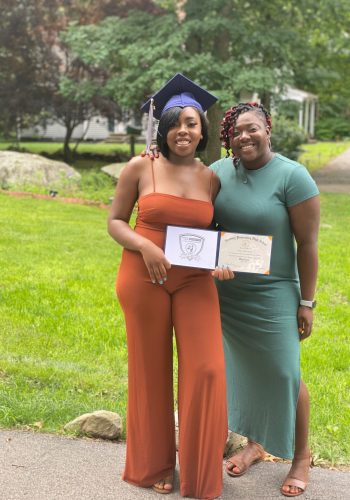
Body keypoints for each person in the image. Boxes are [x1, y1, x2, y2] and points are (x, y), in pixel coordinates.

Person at [107, 73, 228, 499]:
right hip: (144, 279)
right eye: (175, 122)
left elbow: (215, 233)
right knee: (150, 371)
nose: (183, 130)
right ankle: (155, 465)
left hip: (195, 283)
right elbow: (115, 222)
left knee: (208, 369)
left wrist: (222, 262)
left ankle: (198, 473)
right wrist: (145, 246)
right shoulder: (142, 166)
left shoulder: (212, 177)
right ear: (164, 127)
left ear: (202, 129)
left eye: (191, 123)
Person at [211, 102, 320, 497]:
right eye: (236, 131)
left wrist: (307, 301)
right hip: (226, 293)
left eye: (251, 128)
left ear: (267, 128)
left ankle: (301, 456)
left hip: (274, 292)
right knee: (235, 370)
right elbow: (203, 225)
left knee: (283, 372)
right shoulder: (217, 172)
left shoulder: (293, 176)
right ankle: (255, 444)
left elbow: (307, 245)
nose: (244, 136)